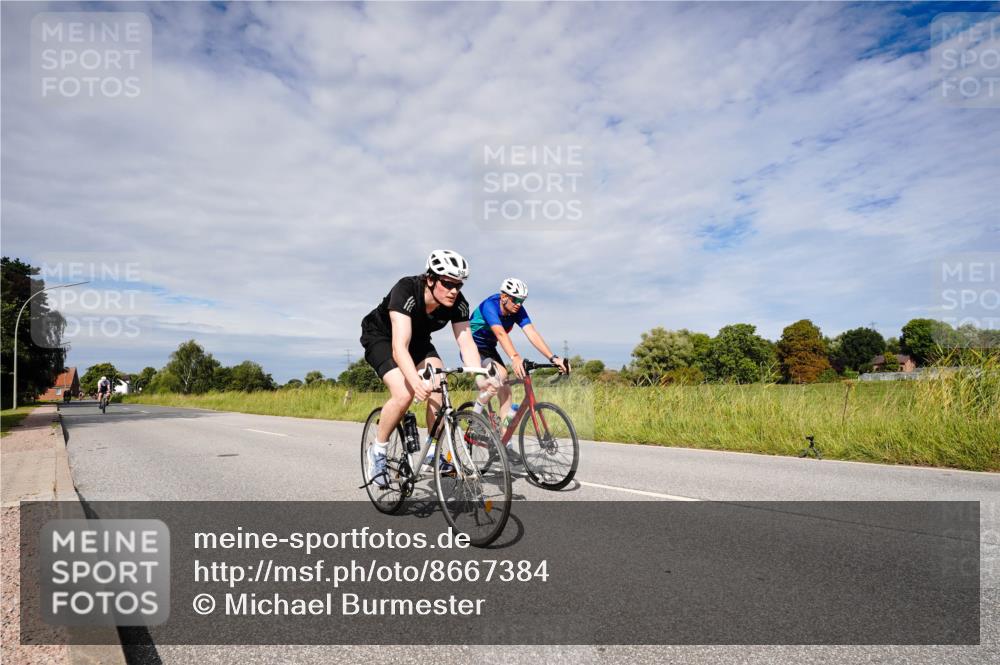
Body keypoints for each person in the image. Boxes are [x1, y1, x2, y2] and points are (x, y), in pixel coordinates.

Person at [361, 250, 497, 488]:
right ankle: (379, 451)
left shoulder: (458, 303)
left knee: (439, 386)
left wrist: (479, 375)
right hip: (383, 337)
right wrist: (415, 382)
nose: (454, 290)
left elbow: (466, 342)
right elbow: (399, 347)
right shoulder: (406, 290)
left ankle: (432, 453)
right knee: (404, 394)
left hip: (419, 341)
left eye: (458, 284)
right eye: (448, 283)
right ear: (431, 279)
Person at [469, 278, 568, 462]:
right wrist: (515, 357)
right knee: (501, 375)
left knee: (506, 392)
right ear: (504, 296)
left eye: (522, 301)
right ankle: (474, 418)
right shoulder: (490, 305)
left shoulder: (517, 309)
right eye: (515, 300)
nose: (518, 305)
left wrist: (553, 357)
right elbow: (500, 333)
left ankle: (504, 443)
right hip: (472, 348)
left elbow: (531, 332)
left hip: (489, 349)